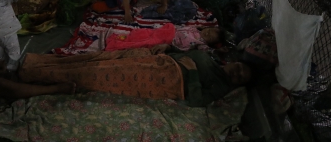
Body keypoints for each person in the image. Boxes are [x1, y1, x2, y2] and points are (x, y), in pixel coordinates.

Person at [19, 48, 252, 106]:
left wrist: (190, 72)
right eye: (240, 67)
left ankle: (32, 75)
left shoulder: (220, 86)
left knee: (98, 74)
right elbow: (183, 55)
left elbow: (197, 101)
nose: (237, 72)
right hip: (157, 61)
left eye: (241, 76)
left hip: (164, 80)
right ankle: (35, 63)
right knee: (99, 59)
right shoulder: (212, 59)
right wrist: (168, 50)